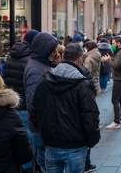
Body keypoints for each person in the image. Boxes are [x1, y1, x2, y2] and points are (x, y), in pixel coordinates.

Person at [31, 43, 101, 172]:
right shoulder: (82, 84)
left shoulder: (45, 80)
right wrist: (91, 141)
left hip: (52, 143)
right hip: (74, 144)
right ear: (80, 58)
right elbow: (91, 115)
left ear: (63, 56)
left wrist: (44, 132)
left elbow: (34, 110)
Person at [23, 32, 61, 171]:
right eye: (53, 49)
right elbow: (34, 102)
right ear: (45, 50)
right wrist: (44, 126)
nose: (56, 52)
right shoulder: (36, 69)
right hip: (41, 128)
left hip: (42, 125)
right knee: (44, 163)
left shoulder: (42, 64)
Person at [2, 29, 38, 172]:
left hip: (12, 104)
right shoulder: (30, 61)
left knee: (18, 138)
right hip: (24, 105)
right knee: (28, 141)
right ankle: (28, 168)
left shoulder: (12, 57)